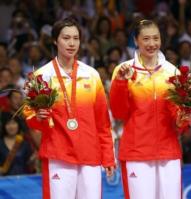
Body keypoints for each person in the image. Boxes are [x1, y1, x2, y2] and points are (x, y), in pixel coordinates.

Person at [23, 17, 115, 199]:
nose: (71, 43)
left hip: (90, 156)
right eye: (66, 38)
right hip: (59, 155)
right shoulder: (41, 76)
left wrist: (108, 155)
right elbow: (30, 117)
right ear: (55, 40)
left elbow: (103, 123)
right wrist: (38, 117)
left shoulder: (91, 75)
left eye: (76, 38)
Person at [109, 19, 182, 199]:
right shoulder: (123, 70)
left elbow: (179, 119)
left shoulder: (173, 72)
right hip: (137, 152)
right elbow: (118, 113)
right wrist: (120, 82)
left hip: (168, 152)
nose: (152, 44)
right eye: (146, 39)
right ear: (136, 41)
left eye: (156, 38)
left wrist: (184, 119)